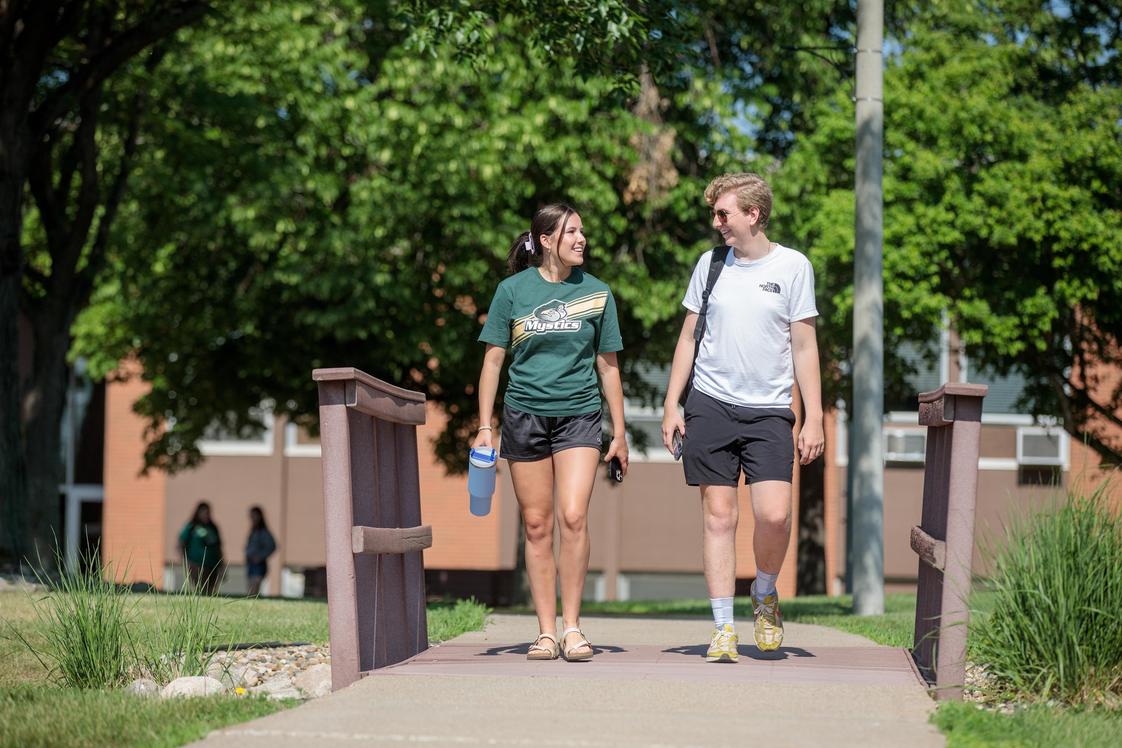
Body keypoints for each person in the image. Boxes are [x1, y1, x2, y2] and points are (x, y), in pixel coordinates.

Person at [661, 173, 824, 661]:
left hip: (770, 411)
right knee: (719, 517)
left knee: (774, 515)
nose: (717, 223)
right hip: (710, 404)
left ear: (753, 215)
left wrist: (812, 416)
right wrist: (672, 403)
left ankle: (765, 593)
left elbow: (804, 345)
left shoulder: (794, 267)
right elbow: (688, 338)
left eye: (723, 214)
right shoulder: (710, 265)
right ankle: (724, 628)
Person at [474, 203, 627, 662]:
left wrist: (619, 432)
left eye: (583, 231)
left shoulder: (598, 294)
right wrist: (485, 427)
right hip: (524, 416)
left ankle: (574, 627)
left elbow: (609, 365)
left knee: (573, 515)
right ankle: (545, 631)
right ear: (545, 240)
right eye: (572, 232)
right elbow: (493, 361)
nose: (582, 239)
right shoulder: (511, 291)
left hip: (579, 416)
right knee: (537, 525)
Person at [177, 501, 225, 594]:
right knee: (200, 589)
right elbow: (181, 543)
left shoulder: (213, 527)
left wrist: (222, 564)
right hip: (196, 564)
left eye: (207, 512)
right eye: (203, 512)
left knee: (211, 591)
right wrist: (185, 561)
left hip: (213, 564)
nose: (206, 515)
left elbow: (219, 547)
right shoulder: (191, 526)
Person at [244, 505, 277, 596]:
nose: (253, 518)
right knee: (250, 590)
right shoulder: (253, 531)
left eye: (255, 516)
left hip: (258, 565)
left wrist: (260, 556)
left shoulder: (263, 532)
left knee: (254, 590)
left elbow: (272, 546)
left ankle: (252, 607)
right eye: (251, 516)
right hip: (251, 564)